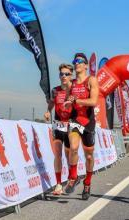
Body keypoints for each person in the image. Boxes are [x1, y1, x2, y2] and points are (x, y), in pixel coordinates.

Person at [64, 53, 99, 200]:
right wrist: (68, 102)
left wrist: (78, 100)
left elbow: (94, 101)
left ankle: (87, 183)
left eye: (80, 61)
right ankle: (73, 176)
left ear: (85, 65)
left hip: (88, 121)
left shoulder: (91, 80)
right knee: (73, 147)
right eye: (75, 61)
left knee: (89, 156)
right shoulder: (71, 84)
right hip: (75, 120)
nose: (76, 63)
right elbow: (68, 100)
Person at [44, 63, 74, 195]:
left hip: (71, 126)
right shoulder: (55, 90)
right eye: (61, 74)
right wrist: (48, 112)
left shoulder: (75, 89)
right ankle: (58, 184)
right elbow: (51, 103)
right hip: (57, 125)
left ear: (71, 75)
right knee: (58, 155)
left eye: (66, 74)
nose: (64, 76)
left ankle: (71, 178)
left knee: (68, 155)